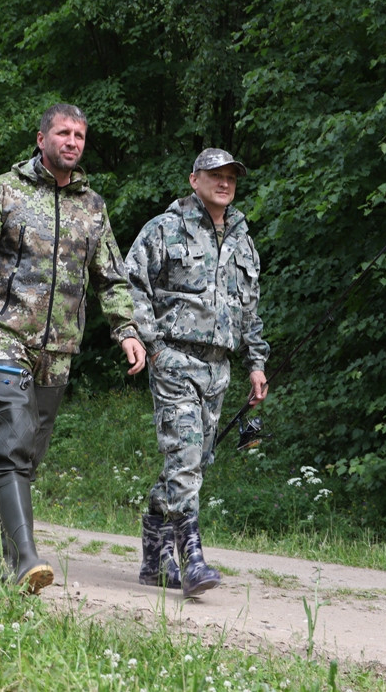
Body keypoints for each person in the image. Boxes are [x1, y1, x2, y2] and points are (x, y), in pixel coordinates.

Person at [0, 103, 147, 594]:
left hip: (59, 349)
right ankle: (25, 559)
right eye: (63, 133)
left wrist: (128, 331)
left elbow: (112, 276)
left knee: (25, 456)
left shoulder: (92, 206)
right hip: (0, 337)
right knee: (10, 442)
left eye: (79, 135)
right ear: (41, 138)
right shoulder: (2, 193)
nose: (72, 141)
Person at [125, 147, 270, 597]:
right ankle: (192, 559)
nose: (223, 183)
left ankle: (153, 557)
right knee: (186, 458)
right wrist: (149, 342)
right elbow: (130, 284)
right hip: (174, 360)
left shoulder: (244, 242)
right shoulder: (164, 229)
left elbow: (250, 309)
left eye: (230, 176)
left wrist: (257, 363)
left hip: (220, 368)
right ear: (194, 180)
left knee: (192, 462)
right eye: (214, 175)